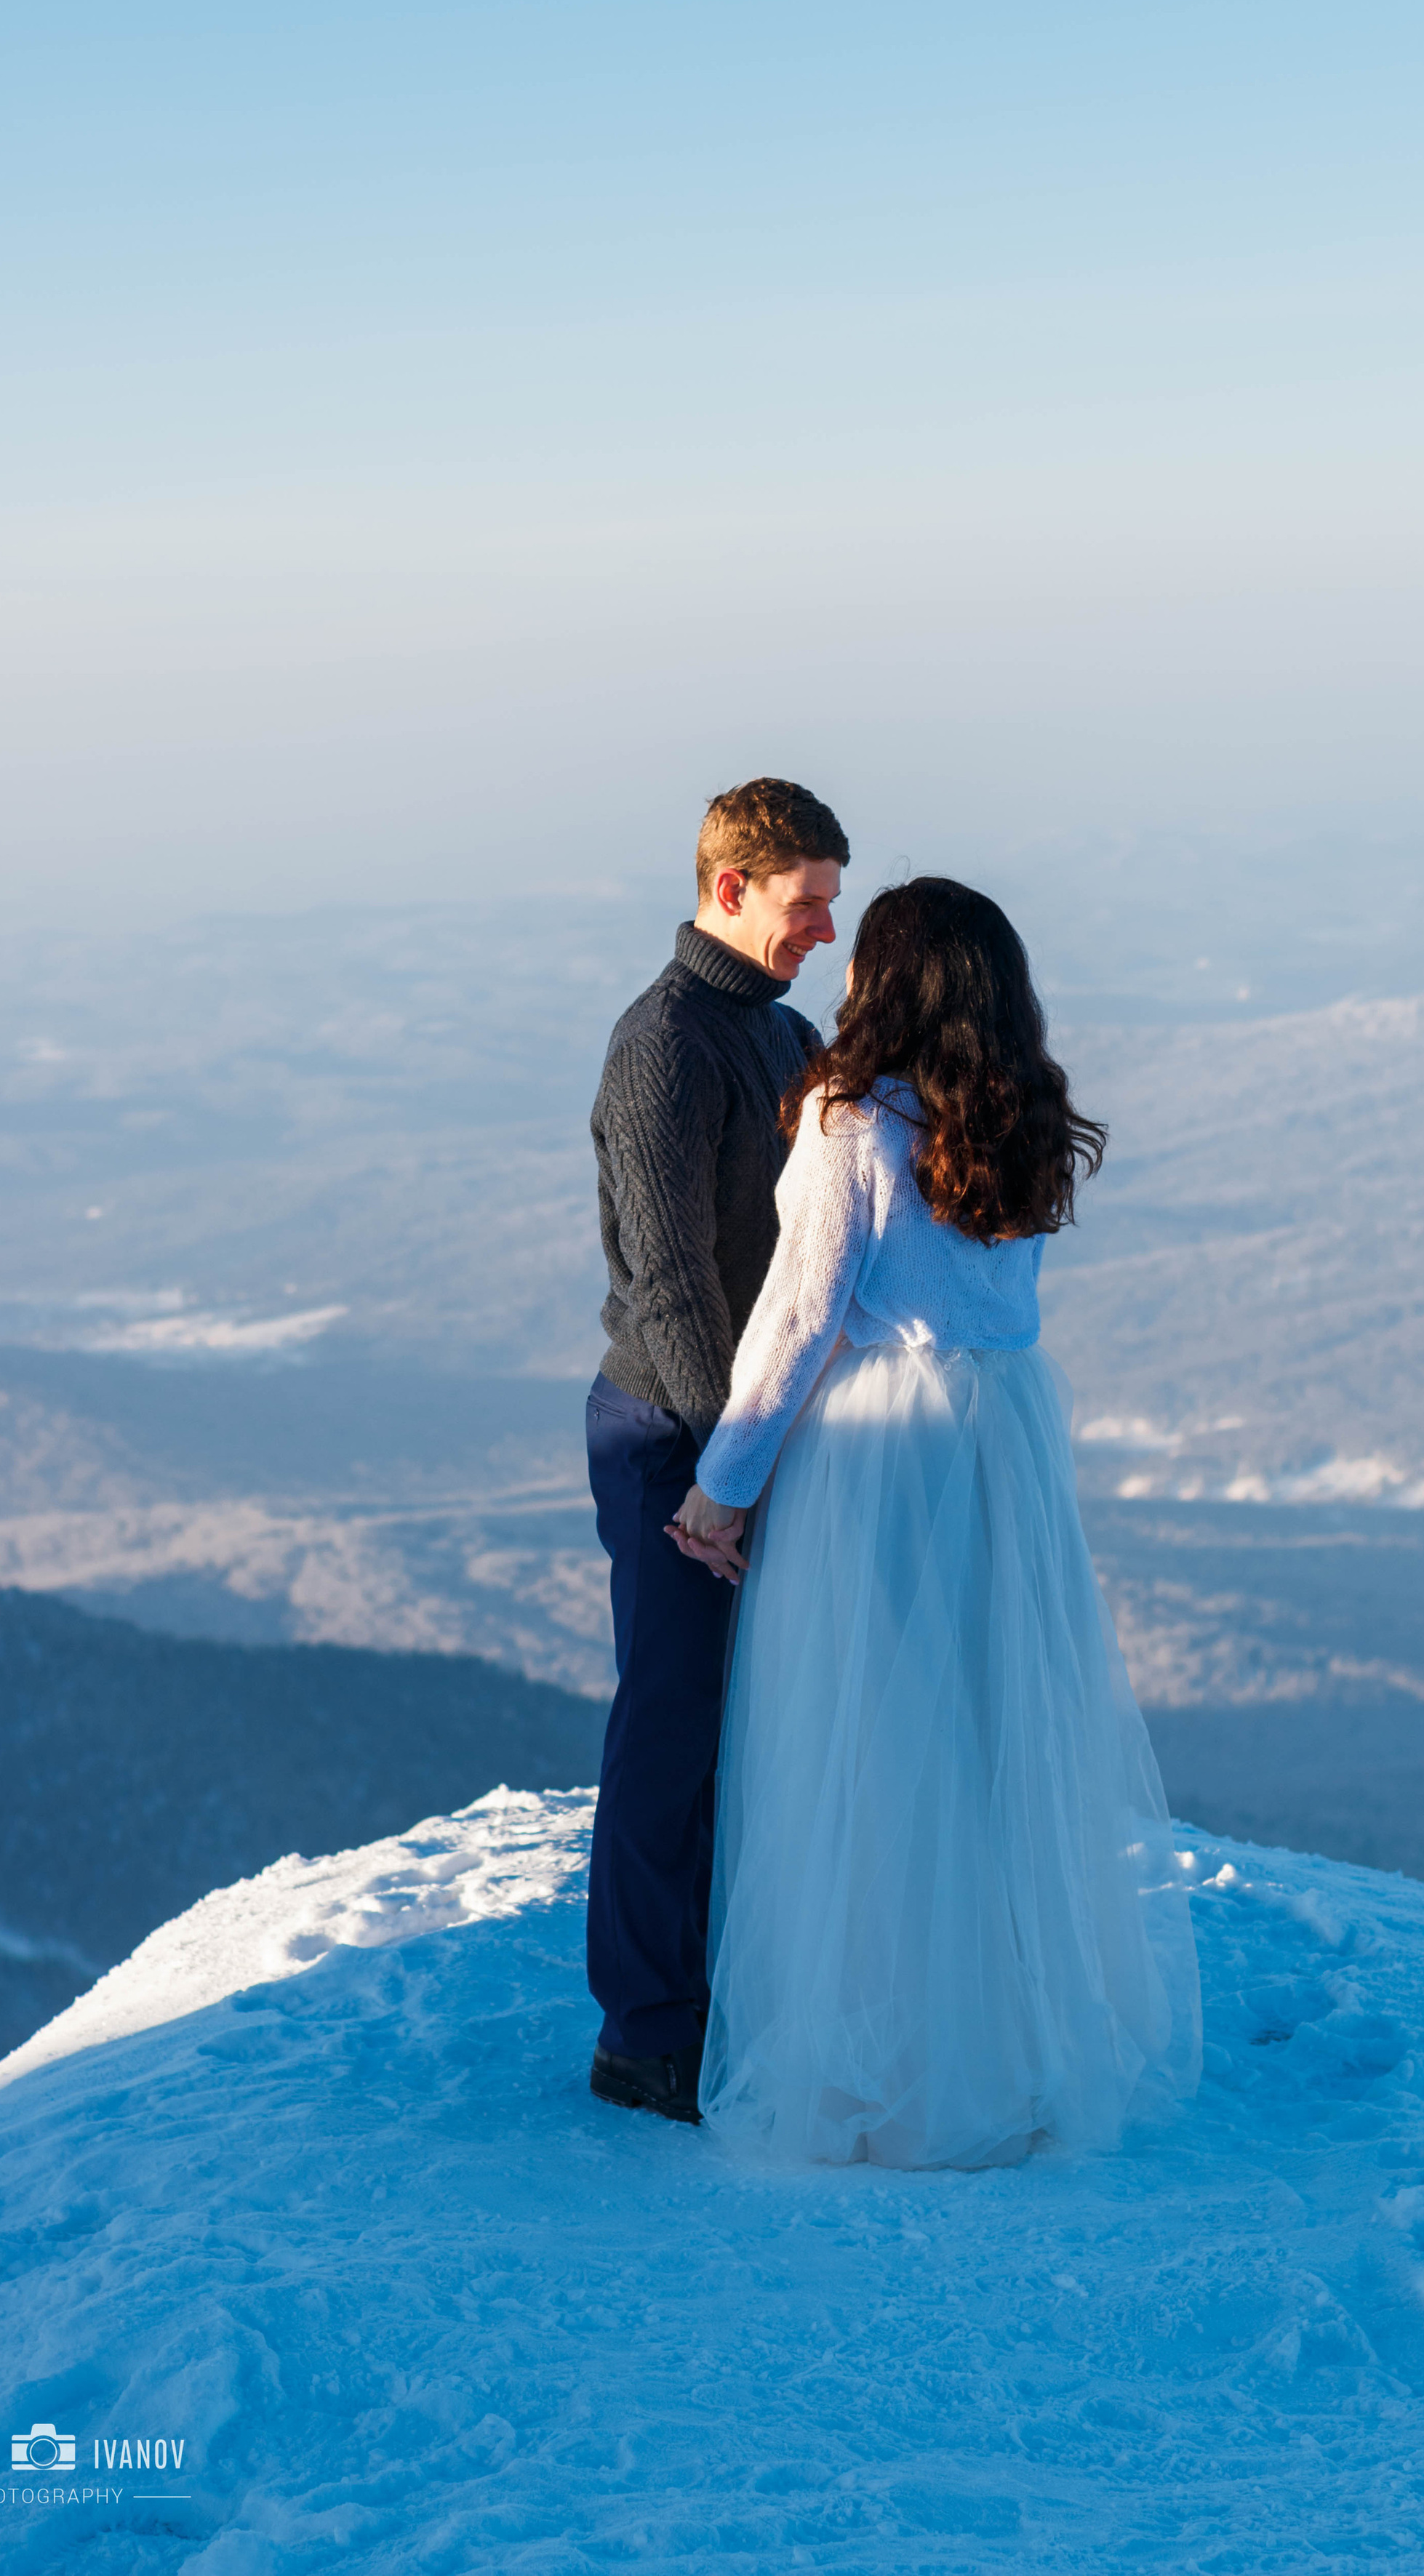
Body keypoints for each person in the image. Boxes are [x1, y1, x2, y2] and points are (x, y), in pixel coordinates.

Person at [676, 877, 1202, 2168]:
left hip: (884, 1453)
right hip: (1002, 1440)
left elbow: (797, 1322)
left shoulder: (855, 1124)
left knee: (864, 1746)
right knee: (983, 1741)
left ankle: (885, 2068)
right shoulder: (1015, 1119)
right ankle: (1005, 2046)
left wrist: (721, 1486)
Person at [585, 777, 850, 2124]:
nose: (822, 928)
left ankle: (713, 1999)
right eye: (805, 903)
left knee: (743, 1726)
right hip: (671, 1438)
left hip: (737, 1442)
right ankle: (644, 2036)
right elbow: (673, 1284)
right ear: (731, 887)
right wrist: (715, 1485)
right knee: (671, 1727)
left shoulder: (774, 1028)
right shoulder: (666, 1048)